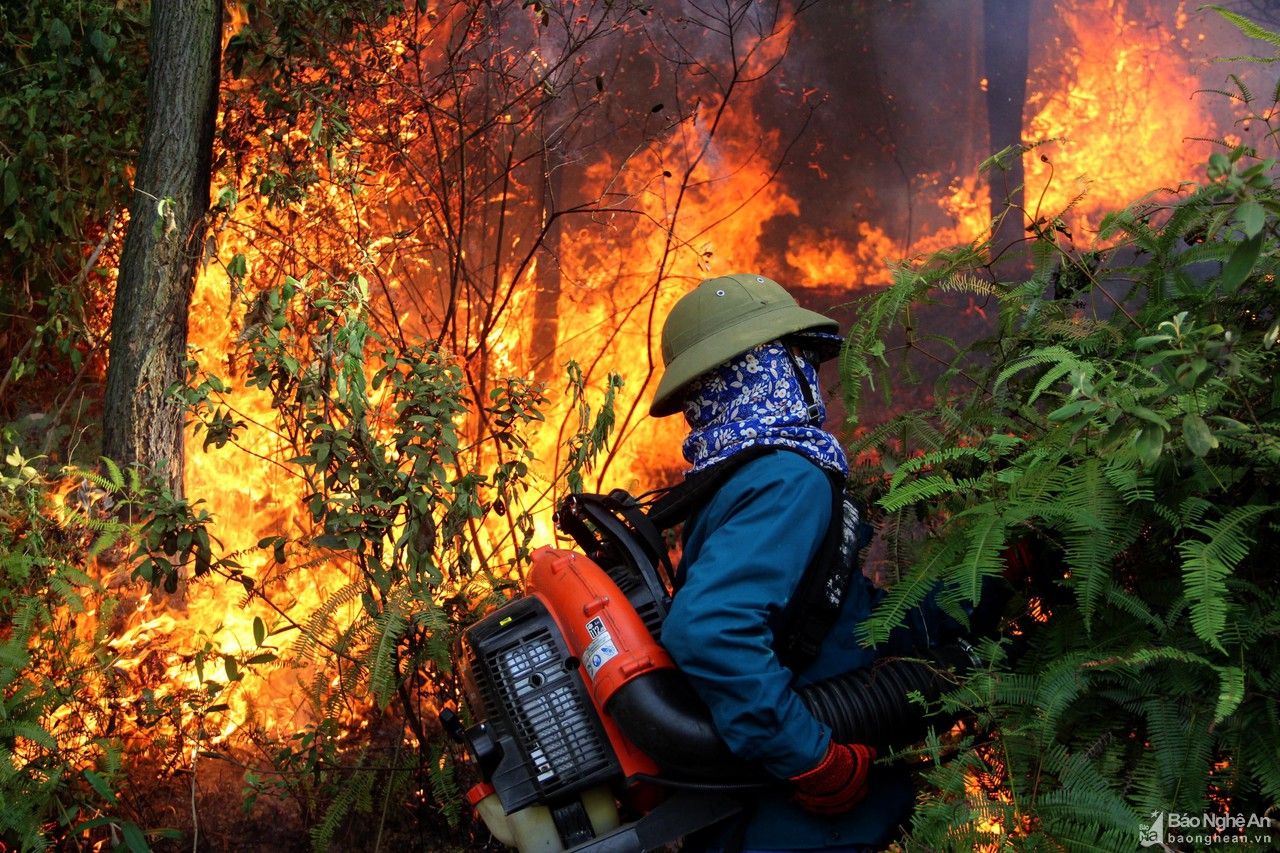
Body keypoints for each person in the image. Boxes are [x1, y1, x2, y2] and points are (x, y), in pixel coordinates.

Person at [648, 273, 913, 852]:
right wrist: (808, 757)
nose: (808, 374)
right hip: (791, 826)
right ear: (765, 371)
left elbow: (830, 614)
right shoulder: (784, 478)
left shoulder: (737, 476)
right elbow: (710, 630)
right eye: (796, 357)